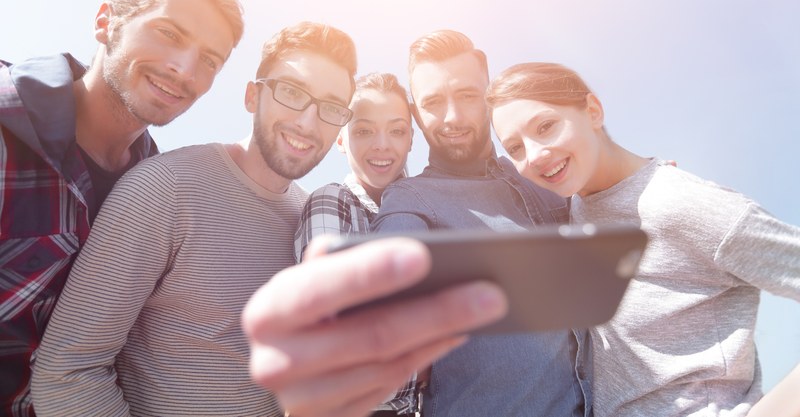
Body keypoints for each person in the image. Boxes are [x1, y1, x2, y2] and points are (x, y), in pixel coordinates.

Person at [31, 21, 356, 416]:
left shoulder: (311, 219)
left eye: (332, 107)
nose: (308, 122)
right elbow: (66, 374)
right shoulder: (164, 189)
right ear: (253, 96)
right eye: (291, 92)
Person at [486, 62, 800, 416]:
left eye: (545, 126)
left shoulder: (680, 202)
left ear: (592, 111)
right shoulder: (577, 209)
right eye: (515, 148)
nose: (535, 155)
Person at [0, 0, 243, 415]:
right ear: (105, 21)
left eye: (210, 60)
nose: (185, 69)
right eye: (168, 33)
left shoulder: (162, 195)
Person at [370, 31, 587, 417]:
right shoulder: (411, 200)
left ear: (488, 90)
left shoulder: (543, 173)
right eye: (433, 102)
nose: (452, 117)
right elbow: (388, 272)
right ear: (416, 113)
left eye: (467, 95)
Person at [294, 72, 416, 416]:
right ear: (341, 139)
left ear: (411, 139)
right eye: (363, 131)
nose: (381, 144)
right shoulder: (331, 202)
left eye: (396, 130)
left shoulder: (425, 204)